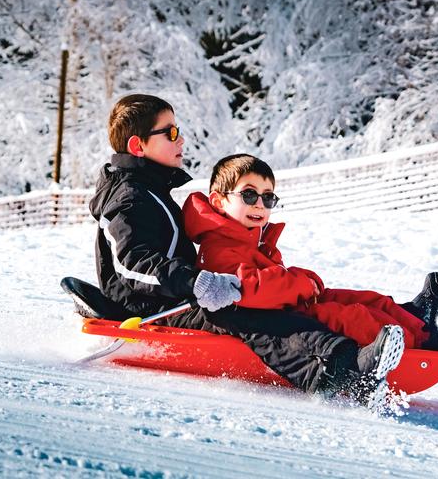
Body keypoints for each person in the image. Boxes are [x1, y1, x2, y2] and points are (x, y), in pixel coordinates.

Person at [89, 94, 406, 408]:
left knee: (262, 304)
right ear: (137, 146)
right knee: (250, 315)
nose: (181, 139)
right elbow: (131, 264)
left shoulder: (150, 191)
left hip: (176, 297)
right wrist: (196, 283)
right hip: (155, 309)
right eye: (170, 132)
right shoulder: (129, 199)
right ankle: (339, 372)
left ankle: (360, 349)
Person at [181, 153, 438, 352]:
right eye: (249, 195)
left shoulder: (250, 238)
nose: (260, 204)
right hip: (280, 319)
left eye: (268, 197)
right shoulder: (217, 248)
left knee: (367, 299)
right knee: (352, 316)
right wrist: (301, 282)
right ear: (219, 202)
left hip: (290, 304)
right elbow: (252, 289)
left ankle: (421, 325)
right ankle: (419, 346)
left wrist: (302, 283)